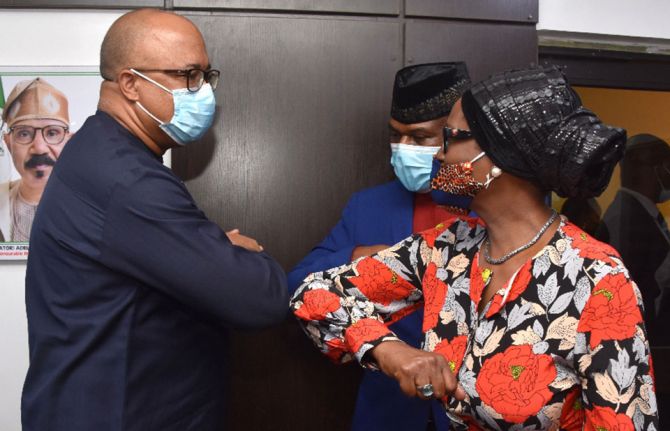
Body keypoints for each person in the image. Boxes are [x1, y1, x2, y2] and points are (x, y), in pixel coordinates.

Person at [290, 67, 659, 430]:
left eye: (451, 138)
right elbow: (312, 293)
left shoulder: (599, 279)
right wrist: (389, 350)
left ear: (501, 157)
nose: (439, 156)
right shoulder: (448, 248)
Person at [22, 9, 288, 431]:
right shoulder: (126, 179)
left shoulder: (100, 151)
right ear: (129, 84)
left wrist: (208, 248)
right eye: (187, 75)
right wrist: (229, 252)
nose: (201, 92)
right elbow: (260, 298)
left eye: (205, 75)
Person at [287, 62, 470, 431]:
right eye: (396, 136)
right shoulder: (368, 205)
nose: (403, 150)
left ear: (455, 137)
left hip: (471, 410)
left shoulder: (487, 206)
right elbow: (300, 281)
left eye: (419, 138)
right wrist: (358, 257)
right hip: (389, 409)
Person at [597, 134, 670, 345]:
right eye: (667, 165)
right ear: (648, 169)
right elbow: (627, 288)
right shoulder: (625, 218)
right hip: (638, 339)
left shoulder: (644, 214)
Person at [0, 78, 71, 242]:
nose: (39, 147)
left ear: (70, 142)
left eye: (52, 133)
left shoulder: (96, 207)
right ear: (8, 143)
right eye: (24, 133)